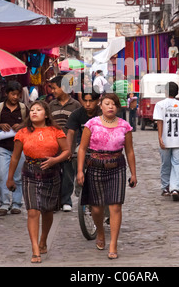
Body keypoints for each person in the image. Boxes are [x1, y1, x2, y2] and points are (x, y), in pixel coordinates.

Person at [6, 100, 70, 264]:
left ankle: (43, 239)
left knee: (47, 211)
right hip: (30, 173)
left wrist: (55, 161)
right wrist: (10, 177)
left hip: (51, 173)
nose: (34, 112)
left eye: (38, 110)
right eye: (32, 110)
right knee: (33, 211)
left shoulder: (55, 131)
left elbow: (67, 151)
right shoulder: (22, 133)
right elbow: (15, 157)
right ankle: (35, 248)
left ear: (46, 114)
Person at [77, 93, 137, 260]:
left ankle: (113, 244)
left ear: (117, 107)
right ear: (101, 106)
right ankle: (100, 232)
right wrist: (80, 170)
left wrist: (133, 173)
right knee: (96, 208)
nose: (111, 107)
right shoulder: (92, 124)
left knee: (115, 206)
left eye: (114, 104)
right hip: (95, 167)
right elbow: (82, 148)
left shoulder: (125, 126)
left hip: (117, 167)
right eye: (107, 104)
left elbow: (130, 151)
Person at [0, 81, 29, 216]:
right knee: (2, 175)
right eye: (13, 94)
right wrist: (1, 126)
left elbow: (30, 123)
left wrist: (22, 125)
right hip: (3, 147)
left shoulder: (24, 108)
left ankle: (17, 203)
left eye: (17, 95)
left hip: (20, 149)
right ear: (6, 94)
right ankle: (4, 203)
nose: (15, 97)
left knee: (18, 176)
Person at [153, 82, 179, 201]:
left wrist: (160, 137)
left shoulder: (160, 105)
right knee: (178, 165)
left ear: (165, 91)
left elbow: (159, 121)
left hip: (165, 140)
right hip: (178, 141)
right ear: (177, 92)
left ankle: (165, 188)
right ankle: (175, 188)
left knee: (165, 164)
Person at [49, 75, 81, 212]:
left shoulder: (76, 105)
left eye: (54, 88)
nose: (52, 91)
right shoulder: (51, 105)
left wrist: (72, 148)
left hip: (70, 145)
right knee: (54, 174)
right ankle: (55, 201)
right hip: (54, 146)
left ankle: (66, 200)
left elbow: (79, 129)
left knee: (68, 174)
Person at [65, 90, 101, 196]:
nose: (88, 104)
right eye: (85, 101)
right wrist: (68, 151)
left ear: (98, 101)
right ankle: (79, 179)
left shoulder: (102, 114)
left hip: (101, 146)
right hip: (82, 145)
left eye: (91, 101)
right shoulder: (77, 114)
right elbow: (71, 132)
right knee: (76, 156)